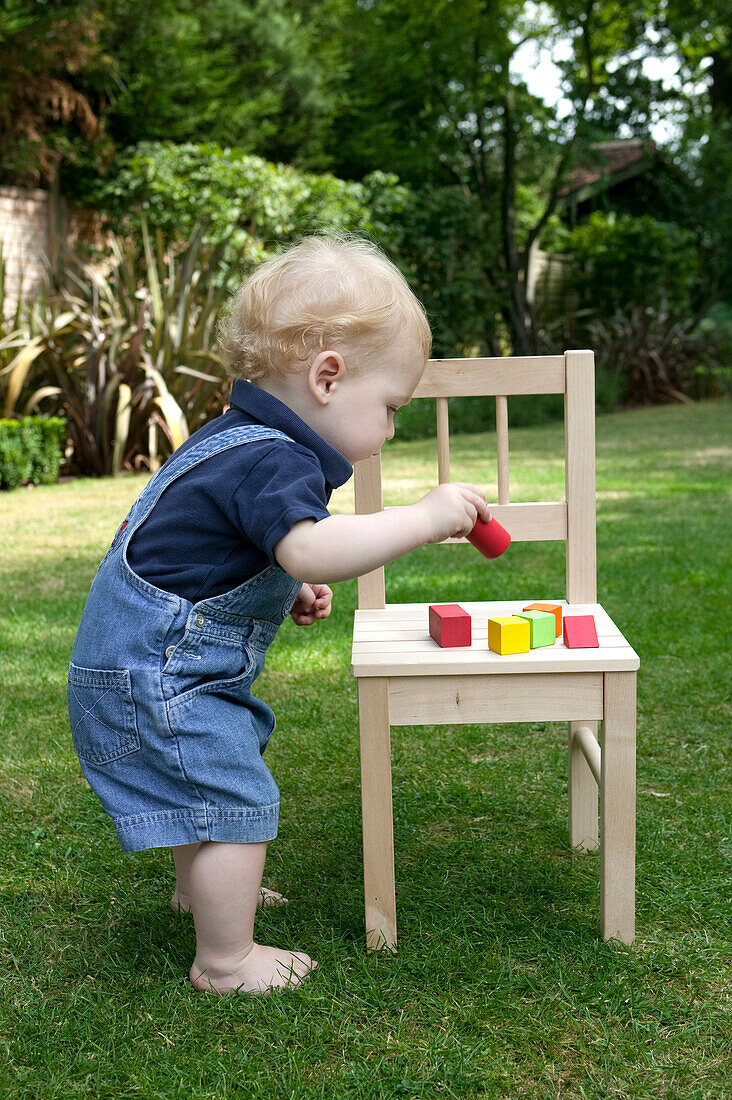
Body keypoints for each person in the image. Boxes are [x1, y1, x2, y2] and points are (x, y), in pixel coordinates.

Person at [67, 236, 491, 995]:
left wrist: (278, 582)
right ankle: (225, 960)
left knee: (204, 781)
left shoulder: (237, 439)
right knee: (234, 794)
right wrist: (424, 517)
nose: (390, 431)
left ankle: (205, 894)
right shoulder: (275, 459)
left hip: (139, 669)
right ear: (328, 377)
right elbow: (312, 547)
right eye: (390, 408)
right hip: (160, 679)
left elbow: (216, 552)